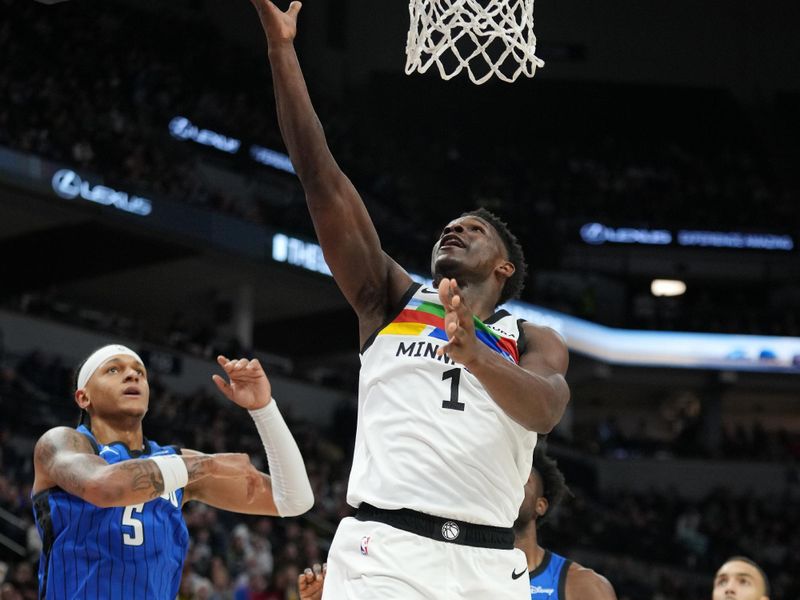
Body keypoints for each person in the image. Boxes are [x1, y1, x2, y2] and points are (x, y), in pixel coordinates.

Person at [248, 2, 571, 598]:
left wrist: (475, 353)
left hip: (490, 563)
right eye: (448, 227)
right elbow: (321, 179)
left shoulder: (530, 340)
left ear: (504, 266)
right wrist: (281, 49)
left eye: (474, 230)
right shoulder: (389, 298)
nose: (454, 230)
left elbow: (546, 411)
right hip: (384, 551)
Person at [31, 344, 314, 599]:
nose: (133, 376)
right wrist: (208, 464)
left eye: (140, 372)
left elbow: (294, 499)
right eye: (114, 369)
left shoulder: (176, 463)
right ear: (83, 397)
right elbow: (104, 487)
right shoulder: (61, 443)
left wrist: (263, 408)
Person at [514, 445, 617, 600]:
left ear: (540, 506)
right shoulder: (468, 575)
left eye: (523, 478)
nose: (511, 484)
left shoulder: (585, 586)